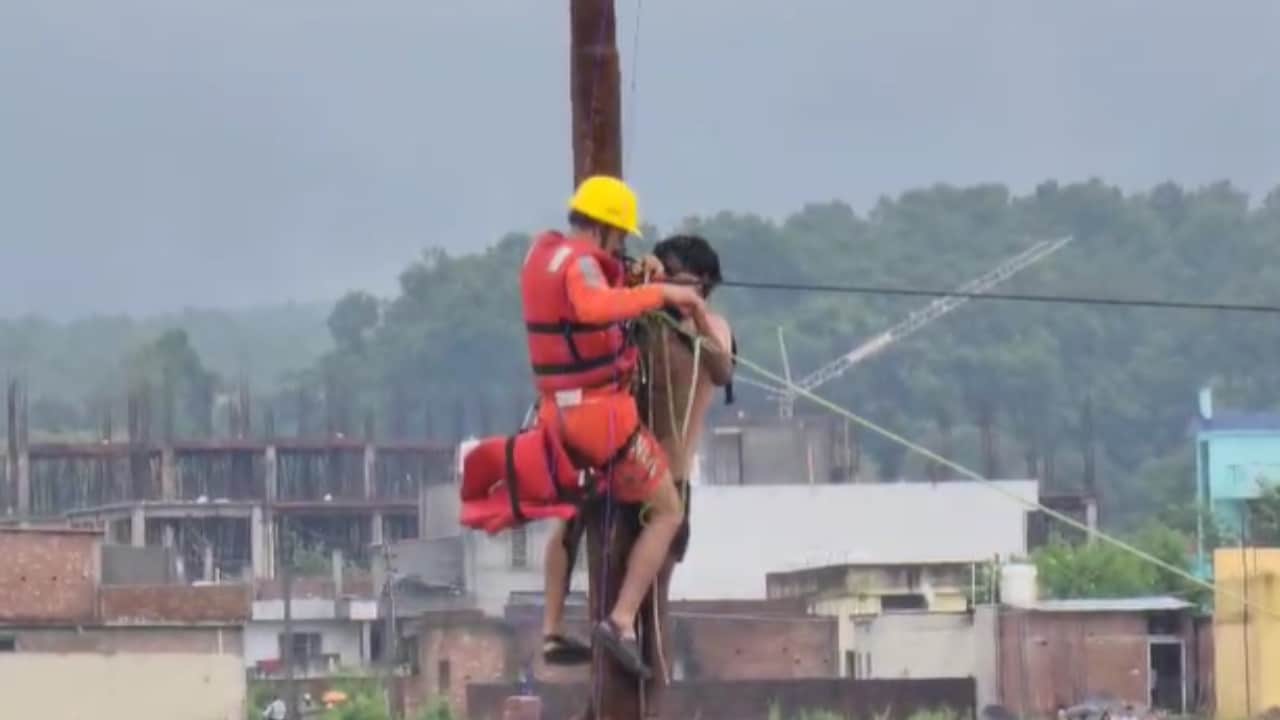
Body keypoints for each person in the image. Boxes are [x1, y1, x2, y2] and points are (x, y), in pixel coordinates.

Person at [522, 175, 707, 678]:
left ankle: (553, 629)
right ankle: (622, 620)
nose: (621, 244)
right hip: (596, 421)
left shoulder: (543, 256)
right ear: (604, 227)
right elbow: (591, 305)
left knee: (571, 515)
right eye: (619, 235)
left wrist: (632, 279)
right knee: (667, 513)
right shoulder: (584, 265)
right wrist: (665, 294)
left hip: (553, 419)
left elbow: (586, 298)